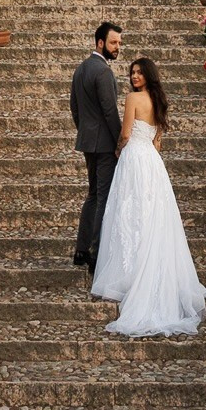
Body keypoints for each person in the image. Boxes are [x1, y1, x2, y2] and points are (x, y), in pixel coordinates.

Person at [91, 55, 206, 338]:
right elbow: (158, 140)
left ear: (147, 76)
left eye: (139, 73)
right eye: (132, 73)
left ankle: (129, 271)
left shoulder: (133, 98)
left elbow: (126, 132)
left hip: (134, 158)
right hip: (153, 163)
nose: (134, 77)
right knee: (151, 214)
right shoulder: (159, 100)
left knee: (129, 213)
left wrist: (119, 150)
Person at [71, 20, 123, 270]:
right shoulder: (103, 71)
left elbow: (75, 108)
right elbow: (110, 111)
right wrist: (120, 142)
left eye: (119, 43)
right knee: (103, 197)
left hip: (88, 142)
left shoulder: (81, 68)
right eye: (113, 42)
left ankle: (81, 250)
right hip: (104, 145)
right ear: (100, 43)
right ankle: (95, 254)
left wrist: (85, 132)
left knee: (92, 195)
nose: (117, 47)